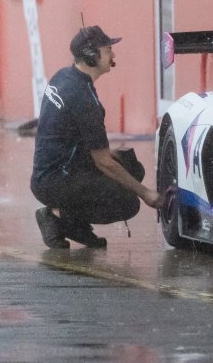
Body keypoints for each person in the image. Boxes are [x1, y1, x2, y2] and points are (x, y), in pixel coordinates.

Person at [30, 26, 164, 248]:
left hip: (46, 174)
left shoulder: (63, 76)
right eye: (108, 50)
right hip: (55, 181)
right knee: (128, 203)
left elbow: (67, 134)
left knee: (131, 166)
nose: (113, 55)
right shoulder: (84, 100)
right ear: (92, 56)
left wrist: (111, 155)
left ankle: (68, 219)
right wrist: (146, 193)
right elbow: (103, 163)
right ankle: (58, 217)